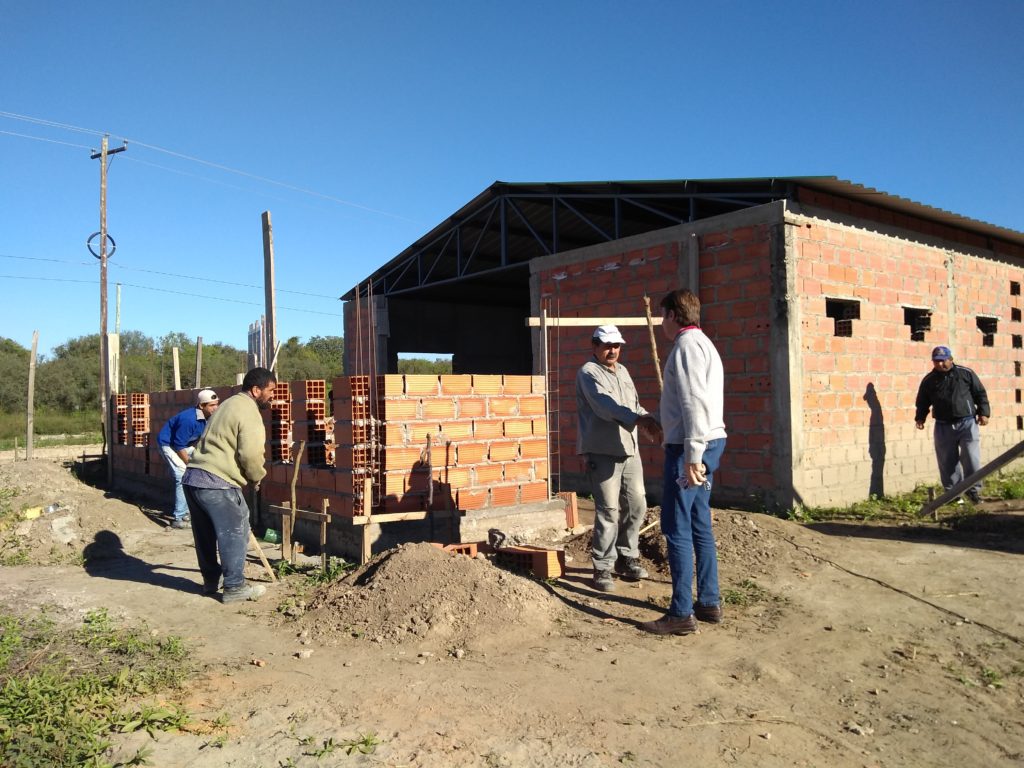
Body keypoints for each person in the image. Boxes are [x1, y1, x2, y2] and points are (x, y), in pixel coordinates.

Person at [641, 289, 727, 636]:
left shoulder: (686, 347)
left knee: (676, 528)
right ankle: (708, 601)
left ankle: (680, 613)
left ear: (674, 315)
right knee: (698, 522)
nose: (661, 322)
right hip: (708, 442)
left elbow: (694, 403)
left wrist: (692, 453)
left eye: (663, 315)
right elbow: (688, 403)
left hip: (692, 448)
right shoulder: (704, 344)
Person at [576, 324, 661, 592]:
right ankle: (602, 567)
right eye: (606, 345)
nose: (612, 350)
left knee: (637, 505)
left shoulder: (623, 371)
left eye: (616, 346)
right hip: (602, 451)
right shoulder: (588, 373)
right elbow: (605, 407)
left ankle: (627, 556)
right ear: (595, 346)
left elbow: (634, 405)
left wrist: (651, 420)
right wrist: (638, 419)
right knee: (608, 511)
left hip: (629, 449)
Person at [182, 367, 276, 603]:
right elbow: (251, 453)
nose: (273, 395)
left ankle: (210, 582)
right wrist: (256, 477)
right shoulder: (248, 411)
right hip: (216, 482)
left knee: (205, 534)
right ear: (256, 390)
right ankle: (234, 587)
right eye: (271, 390)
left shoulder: (228, 404)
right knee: (235, 530)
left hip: (193, 478)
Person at [914, 345, 990, 504]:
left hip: (967, 422)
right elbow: (922, 400)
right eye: (936, 361)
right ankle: (954, 495)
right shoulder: (929, 380)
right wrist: (920, 417)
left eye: (942, 361)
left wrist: (984, 412)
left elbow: (980, 393)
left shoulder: (965, 373)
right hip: (943, 426)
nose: (939, 364)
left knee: (971, 457)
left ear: (951, 359)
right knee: (947, 461)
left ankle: (973, 491)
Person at [156, 388, 219, 529]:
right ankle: (179, 517)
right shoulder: (189, 419)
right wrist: (188, 463)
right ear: (201, 406)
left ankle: (186, 512)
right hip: (169, 445)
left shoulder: (208, 417)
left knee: (200, 468)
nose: (216, 408)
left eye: (217, 404)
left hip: (184, 445)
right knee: (182, 475)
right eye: (212, 405)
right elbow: (178, 445)